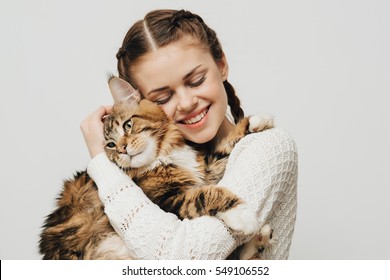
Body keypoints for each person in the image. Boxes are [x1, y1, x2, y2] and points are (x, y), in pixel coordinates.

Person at [80, 9, 297, 259]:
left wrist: (100, 164)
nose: (185, 103)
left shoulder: (269, 146)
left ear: (221, 65)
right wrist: (101, 158)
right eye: (163, 97)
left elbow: (182, 259)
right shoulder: (151, 164)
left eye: (195, 81)